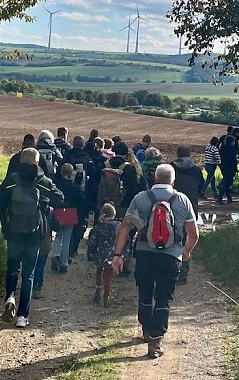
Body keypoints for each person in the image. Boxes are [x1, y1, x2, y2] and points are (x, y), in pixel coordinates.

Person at [112, 164, 199, 358]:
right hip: (171, 256)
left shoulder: (141, 198)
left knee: (145, 292)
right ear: (173, 181)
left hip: (145, 254)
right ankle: (155, 341)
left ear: (154, 179)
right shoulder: (182, 200)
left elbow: (124, 228)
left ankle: (145, 329)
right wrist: (186, 251)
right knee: (163, 296)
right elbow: (194, 234)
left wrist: (118, 255)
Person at [0, 148, 64, 328]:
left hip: (14, 232)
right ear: (37, 162)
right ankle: (23, 316)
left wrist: (7, 217)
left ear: (21, 161)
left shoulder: (12, 181)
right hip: (35, 235)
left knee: (12, 267)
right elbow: (60, 198)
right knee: (28, 274)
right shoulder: (43, 182)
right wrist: (45, 204)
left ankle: (10, 296)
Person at [170, 145, 205, 285]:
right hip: (191, 208)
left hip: (173, 208)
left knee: (173, 240)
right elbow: (202, 187)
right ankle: (183, 273)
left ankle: (172, 271)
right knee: (187, 240)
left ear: (177, 154)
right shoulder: (196, 170)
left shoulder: (172, 168)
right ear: (189, 155)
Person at [86, 203, 125, 308]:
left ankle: (98, 290)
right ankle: (106, 296)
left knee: (99, 271)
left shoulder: (98, 227)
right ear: (113, 214)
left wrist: (90, 253)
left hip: (99, 253)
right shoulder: (117, 226)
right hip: (112, 253)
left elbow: (92, 242)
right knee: (108, 276)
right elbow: (123, 239)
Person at [64, 136, 95, 257]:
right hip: (82, 197)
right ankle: (73, 249)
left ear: (73, 144)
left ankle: (64, 248)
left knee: (65, 224)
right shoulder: (88, 159)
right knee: (79, 223)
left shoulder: (66, 156)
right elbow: (93, 181)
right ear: (83, 145)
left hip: (66, 196)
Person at [51, 164, 84, 273]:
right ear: (71, 173)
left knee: (58, 236)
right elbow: (81, 200)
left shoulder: (56, 185)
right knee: (67, 238)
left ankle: (55, 255)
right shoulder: (75, 187)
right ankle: (64, 262)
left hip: (58, 211)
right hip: (70, 212)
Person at [217, 135, 239, 205]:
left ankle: (229, 198)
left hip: (223, 168)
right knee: (227, 183)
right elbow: (233, 160)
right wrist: (236, 168)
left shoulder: (222, 149)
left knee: (226, 182)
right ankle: (220, 198)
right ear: (231, 142)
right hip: (230, 168)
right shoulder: (231, 149)